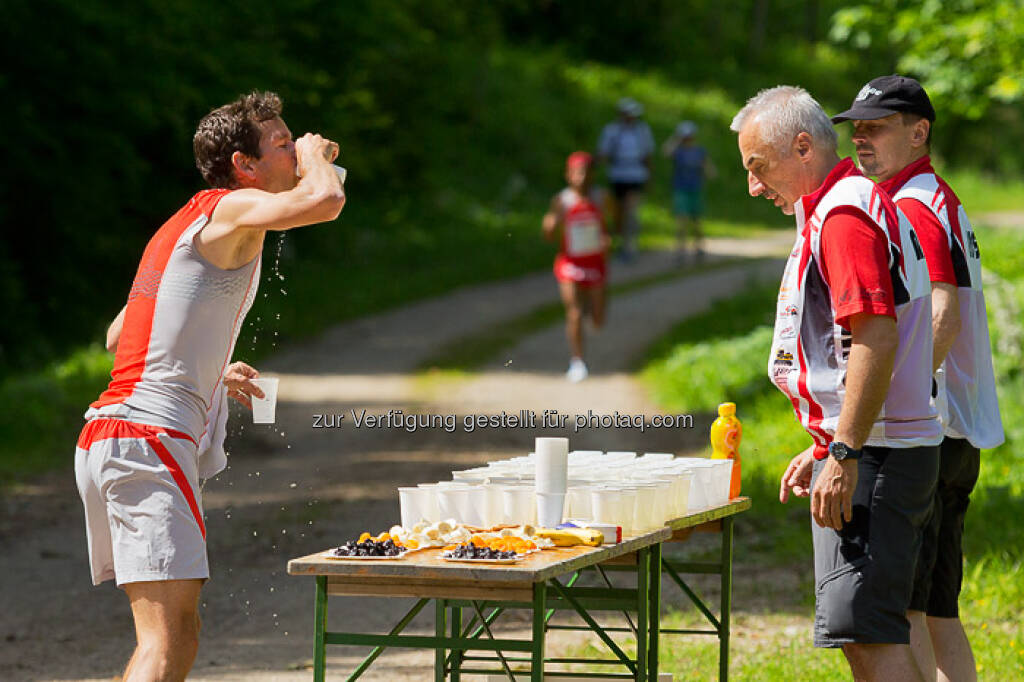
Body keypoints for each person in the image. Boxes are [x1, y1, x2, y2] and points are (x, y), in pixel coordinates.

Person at [74, 90, 345, 681]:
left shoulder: (192, 219)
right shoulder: (228, 207)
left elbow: (123, 333)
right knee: (165, 643)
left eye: (296, 143)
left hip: (123, 436)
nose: (295, 154)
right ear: (244, 166)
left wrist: (211, 368)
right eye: (282, 145)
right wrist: (319, 155)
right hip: (144, 439)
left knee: (176, 634)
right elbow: (324, 199)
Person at [731, 85, 942, 681]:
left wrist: (844, 451)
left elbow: (875, 337)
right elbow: (850, 349)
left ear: (802, 147)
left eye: (758, 167)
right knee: (870, 629)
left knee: (868, 636)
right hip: (878, 445)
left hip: (879, 453)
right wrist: (826, 442)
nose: (753, 186)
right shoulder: (850, 203)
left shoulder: (845, 214)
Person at [833, 75, 1004, 682]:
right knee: (939, 611)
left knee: (900, 616)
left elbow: (942, 312)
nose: (861, 140)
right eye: (856, 129)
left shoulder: (909, 204)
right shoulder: (941, 196)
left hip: (932, 430)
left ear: (919, 131)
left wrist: (900, 394)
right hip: (963, 427)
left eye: (876, 128)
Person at [542, 151, 609, 382]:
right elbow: (549, 233)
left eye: (587, 172)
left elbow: (613, 224)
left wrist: (607, 240)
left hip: (596, 263)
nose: (583, 177)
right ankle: (577, 361)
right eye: (578, 172)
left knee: (598, 320)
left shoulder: (601, 198)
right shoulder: (562, 201)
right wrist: (551, 224)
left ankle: (592, 311)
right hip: (569, 263)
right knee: (574, 311)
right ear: (568, 175)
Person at [596, 97, 654, 260]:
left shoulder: (642, 131)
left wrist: (649, 176)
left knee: (631, 209)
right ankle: (621, 242)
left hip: (636, 175)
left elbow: (647, 156)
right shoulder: (611, 131)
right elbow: (604, 152)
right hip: (617, 175)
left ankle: (631, 245)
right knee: (618, 212)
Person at [662, 120, 716, 262]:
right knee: (682, 221)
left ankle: (699, 248)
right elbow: (666, 152)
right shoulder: (678, 151)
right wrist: (675, 138)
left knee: (696, 221)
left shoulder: (699, 151)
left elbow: (709, 169)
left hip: (695, 189)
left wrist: (708, 173)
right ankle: (681, 251)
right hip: (681, 189)